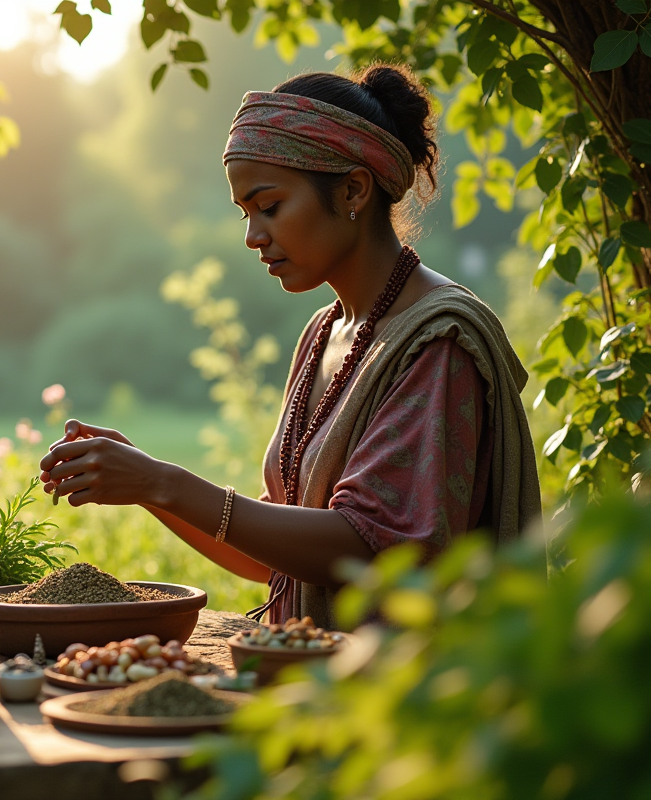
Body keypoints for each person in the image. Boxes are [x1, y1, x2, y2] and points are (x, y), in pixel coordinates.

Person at [38, 65, 542, 629]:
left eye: (269, 206)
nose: (253, 235)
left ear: (353, 189)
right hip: (308, 689)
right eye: (245, 213)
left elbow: (373, 550)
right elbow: (276, 557)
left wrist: (163, 481)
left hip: (401, 702)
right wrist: (148, 484)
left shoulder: (439, 340)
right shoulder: (323, 334)